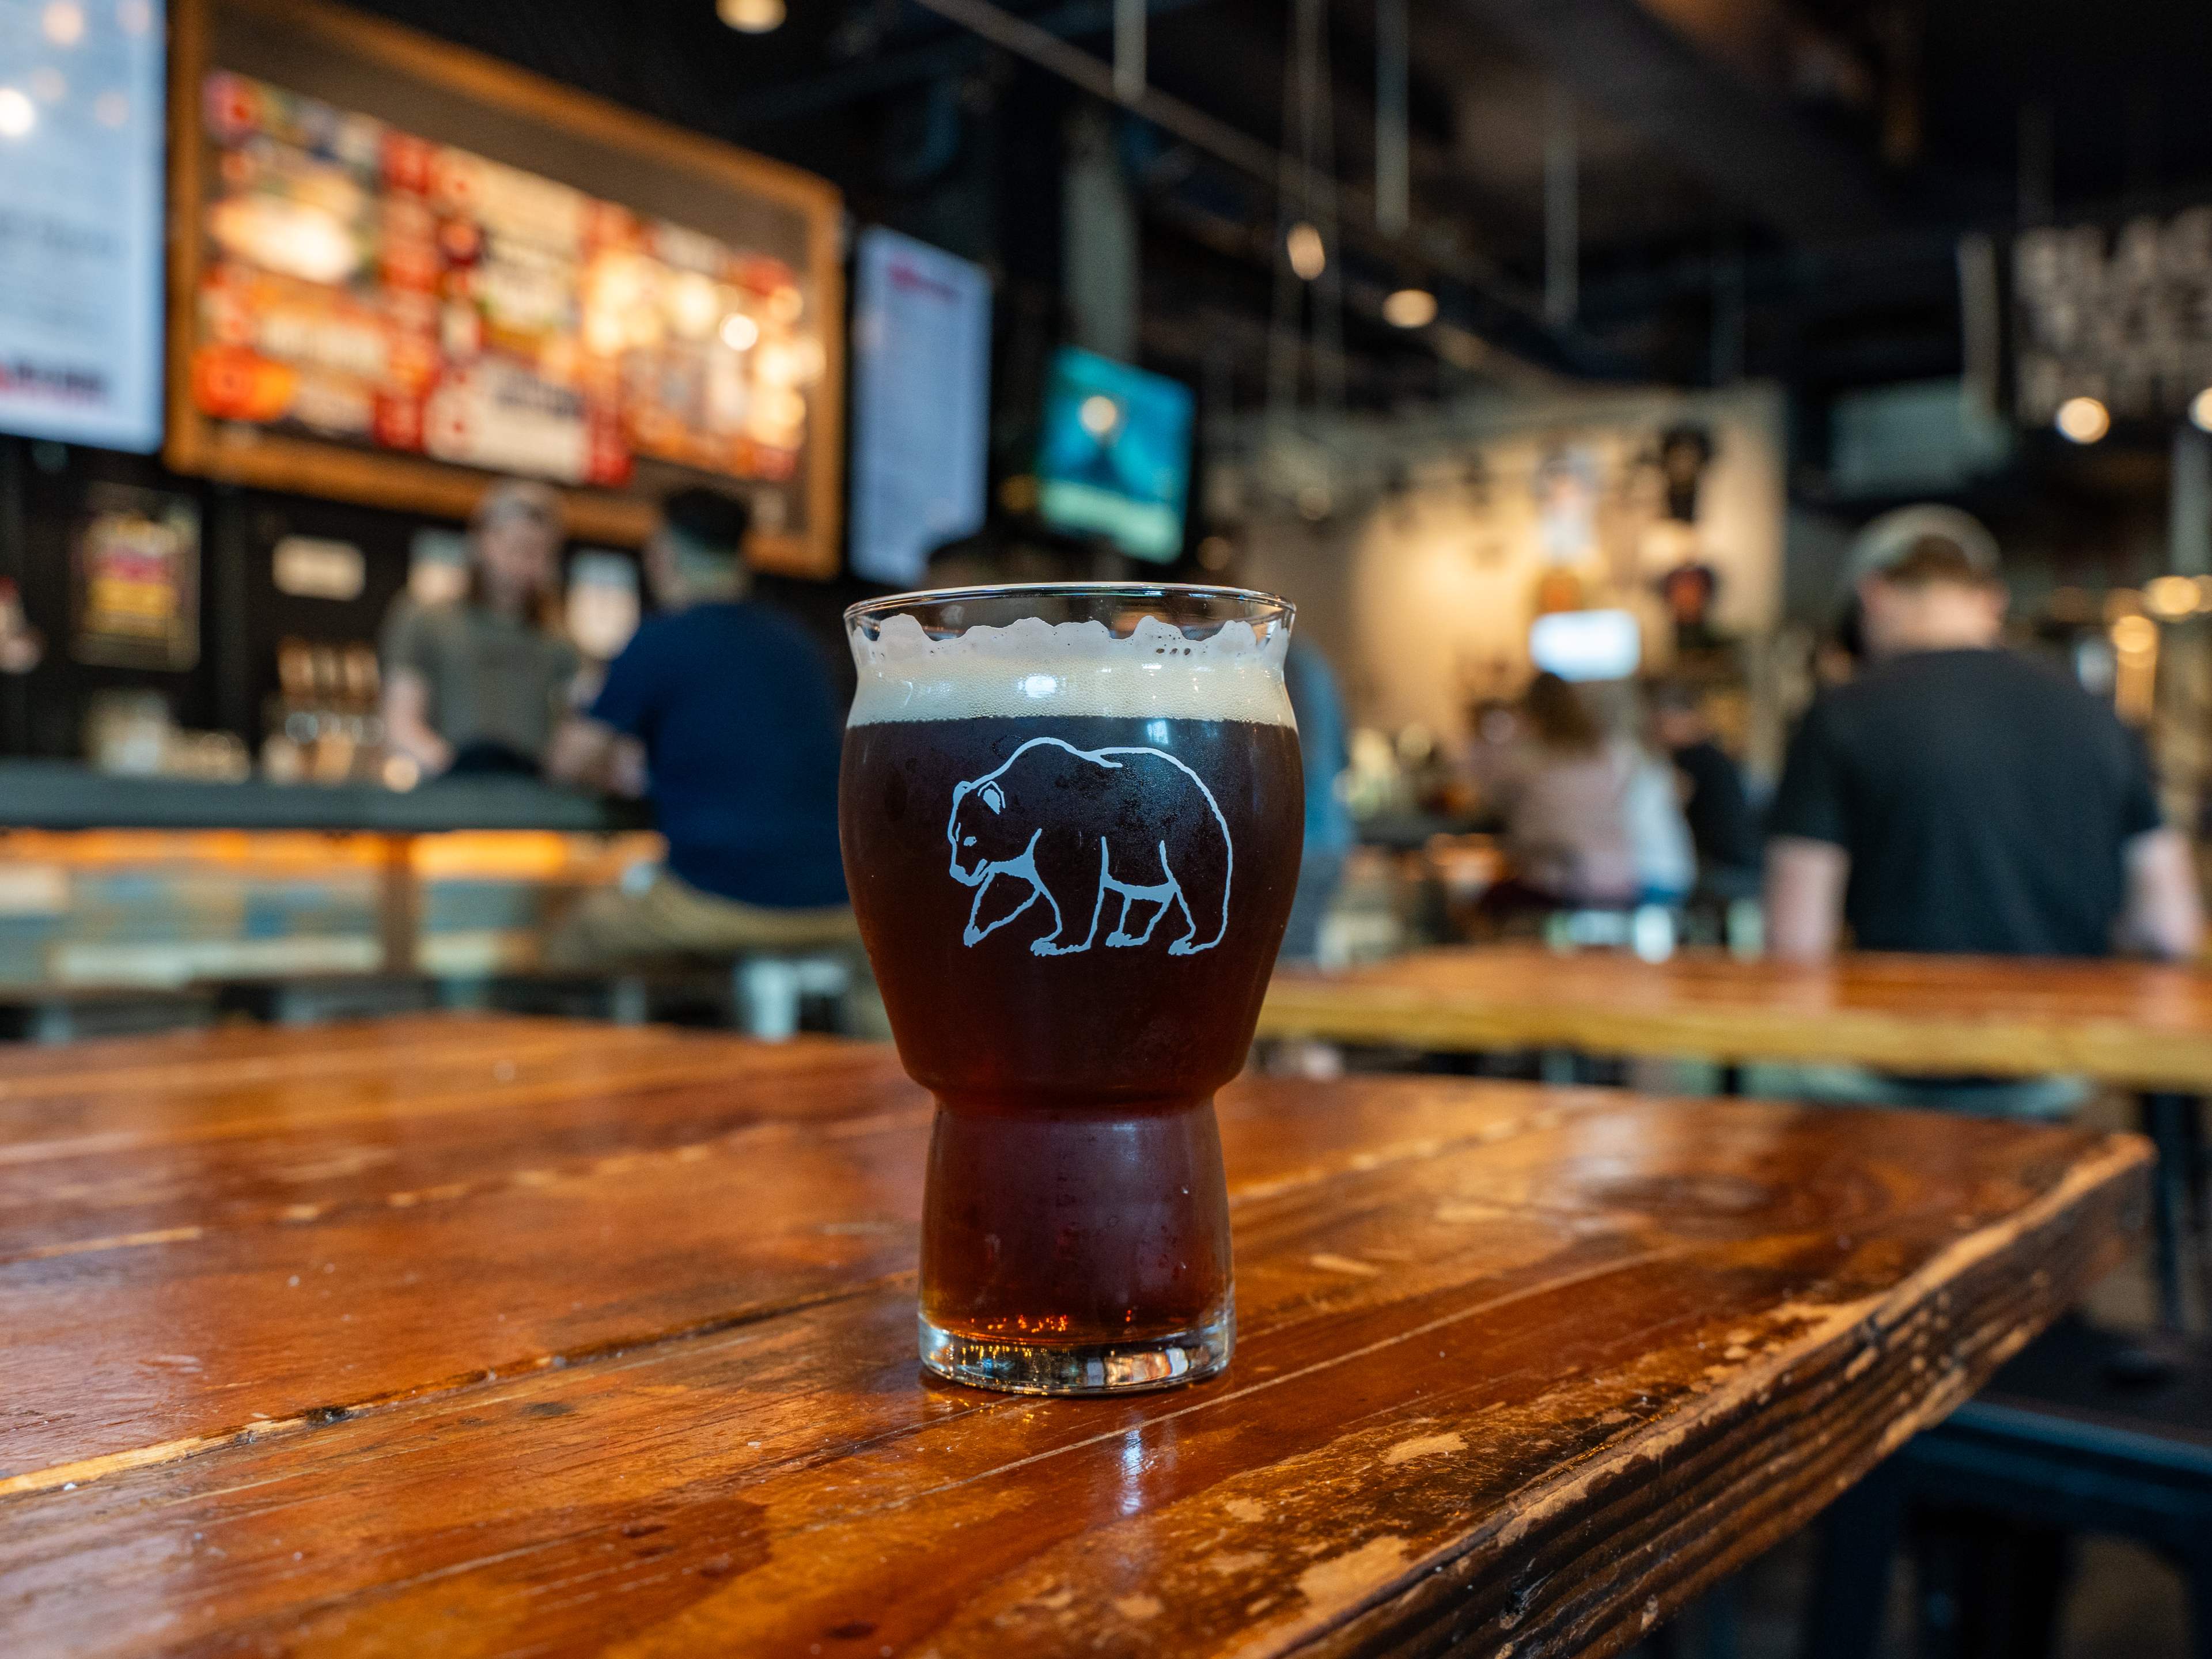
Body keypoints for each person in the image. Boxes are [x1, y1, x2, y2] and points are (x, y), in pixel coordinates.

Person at [1766, 505, 2201, 965]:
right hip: (2071, 1028)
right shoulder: (2099, 714)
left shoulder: (1840, 715)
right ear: (1992, 600)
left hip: (1906, 1025)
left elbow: (1796, 937)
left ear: (1874, 595)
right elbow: (2169, 927)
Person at [544, 486, 854, 964]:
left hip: (724, 895)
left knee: (573, 932)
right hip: (838, 899)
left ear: (662, 554)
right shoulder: (798, 645)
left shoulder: (659, 642)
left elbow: (567, 763)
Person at [381, 482, 579, 777]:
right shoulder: (426, 620)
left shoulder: (560, 642)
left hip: (533, 800)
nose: (526, 563)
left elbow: (576, 731)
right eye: (518, 546)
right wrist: (457, 772)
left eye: (540, 552)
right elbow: (400, 723)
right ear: (483, 541)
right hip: (448, 795)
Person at [1478, 672, 1694, 912]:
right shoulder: (1619, 757)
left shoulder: (1532, 762)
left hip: (1586, 881)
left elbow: (1498, 805)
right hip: (1630, 876)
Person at [1278, 637, 1354, 963]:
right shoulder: (1310, 660)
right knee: (1294, 958)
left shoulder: (1275, 664)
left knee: (1282, 971)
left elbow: (1289, 758)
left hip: (1294, 842)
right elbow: (1344, 756)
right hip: (1329, 837)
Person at [1649, 679, 1760, 895]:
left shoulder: (1694, 758)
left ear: (1686, 717)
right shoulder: (1710, 754)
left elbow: (1667, 805)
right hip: (1738, 861)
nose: (1658, 732)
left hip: (1725, 865)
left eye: (1663, 723)